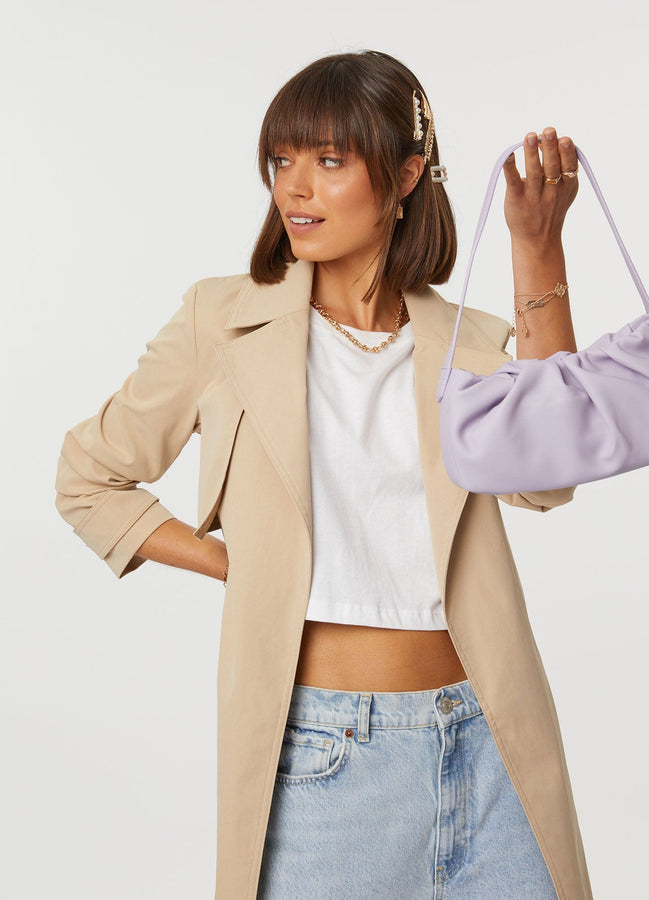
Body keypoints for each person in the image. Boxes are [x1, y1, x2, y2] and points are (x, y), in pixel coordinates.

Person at [55, 50, 593, 899]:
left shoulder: (467, 341)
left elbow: (552, 472)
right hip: (326, 759)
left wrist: (537, 248)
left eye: (330, 160)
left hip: (494, 744)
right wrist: (237, 566)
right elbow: (87, 477)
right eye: (282, 160)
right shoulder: (222, 320)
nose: (295, 187)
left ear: (406, 175)